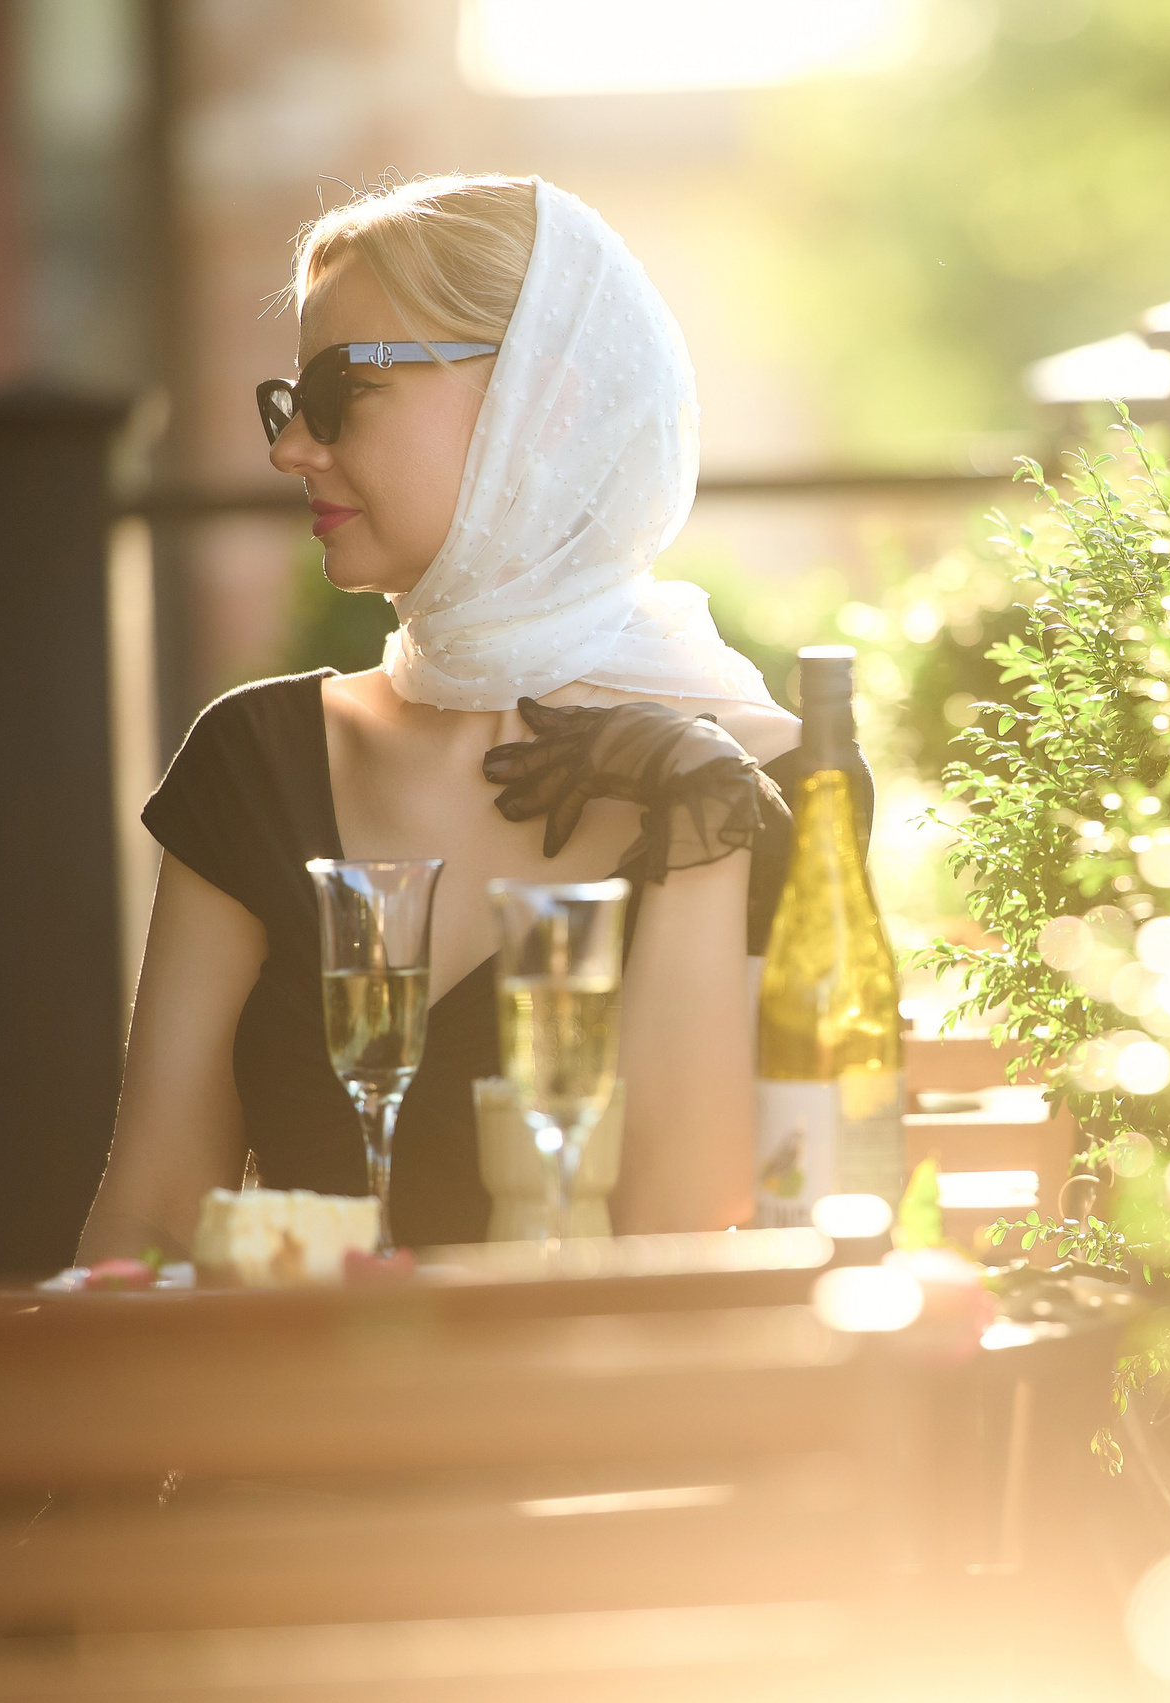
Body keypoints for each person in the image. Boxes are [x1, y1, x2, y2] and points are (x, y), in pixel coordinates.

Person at [79, 174, 862, 1257]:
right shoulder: (255, 762)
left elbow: (688, 1239)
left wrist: (703, 821)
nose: (288, 448)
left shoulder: (765, 772)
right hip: (301, 1418)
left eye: (339, 391)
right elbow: (153, 1216)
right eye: (284, 403)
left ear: (545, 401)